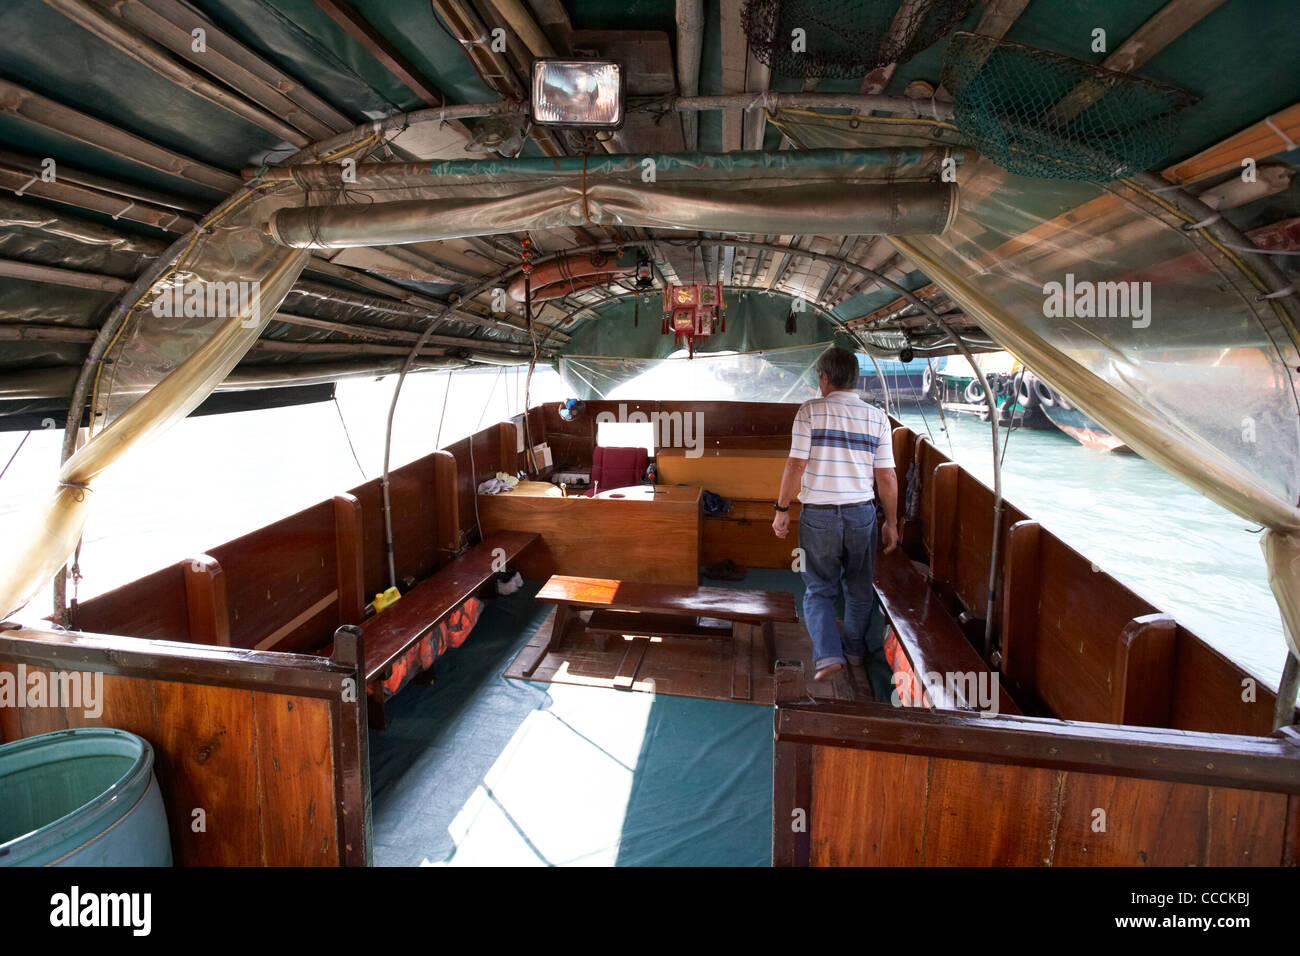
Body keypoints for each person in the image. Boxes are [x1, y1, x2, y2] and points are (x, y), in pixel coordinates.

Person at [772, 346, 898, 689]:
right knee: (859, 590)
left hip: (819, 517)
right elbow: (887, 477)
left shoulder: (809, 412)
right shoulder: (878, 418)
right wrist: (892, 523)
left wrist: (782, 510)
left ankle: (828, 655)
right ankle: (855, 653)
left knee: (818, 589)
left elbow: (796, 465)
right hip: (862, 515)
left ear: (825, 378)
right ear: (855, 380)